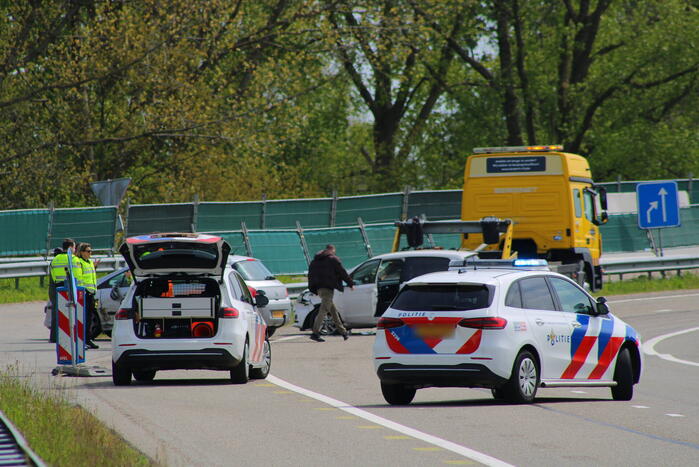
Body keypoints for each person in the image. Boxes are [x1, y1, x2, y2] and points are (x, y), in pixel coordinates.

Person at [307, 244, 354, 342]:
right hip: (328, 289)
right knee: (323, 310)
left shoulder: (315, 261)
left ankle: (343, 332)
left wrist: (313, 289)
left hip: (319, 289)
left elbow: (310, 276)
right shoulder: (333, 259)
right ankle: (315, 333)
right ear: (332, 250)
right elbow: (342, 272)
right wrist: (350, 283)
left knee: (333, 311)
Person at [48, 238, 78, 342]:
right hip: (70, 287)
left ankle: (54, 337)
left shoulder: (55, 259)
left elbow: (52, 275)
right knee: (70, 312)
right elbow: (78, 275)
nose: (75, 249)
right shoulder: (74, 259)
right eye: (74, 247)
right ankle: (69, 336)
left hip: (58, 287)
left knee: (57, 312)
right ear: (70, 247)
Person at [76, 242, 99, 349]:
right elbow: (79, 278)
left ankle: (88, 339)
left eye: (91, 251)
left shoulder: (89, 262)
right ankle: (83, 340)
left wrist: (95, 267)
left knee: (89, 318)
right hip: (84, 293)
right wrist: (83, 290)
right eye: (88, 251)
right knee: (83, 318)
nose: (90, 253)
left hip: (91, 293)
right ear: (81, 252)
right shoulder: (79, 262)